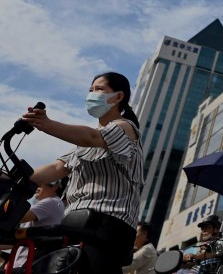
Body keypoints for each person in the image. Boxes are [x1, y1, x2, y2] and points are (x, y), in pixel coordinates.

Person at [22, 71, 144, 274]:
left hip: (110, 223)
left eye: (99, 89)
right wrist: (10, 174)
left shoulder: (125, 127)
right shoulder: (83, 144)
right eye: (90, 90)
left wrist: (47, 124)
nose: (92, 94)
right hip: (78, 223)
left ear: (119, 96)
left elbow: (92, 137)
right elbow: (57, 168)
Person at [9, 179, 66, 269]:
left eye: (40, 185)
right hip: (25, 262)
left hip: (28, 263)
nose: (36, 187)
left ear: (55, 186)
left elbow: (16, 217)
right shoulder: (54, 203)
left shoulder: (51, 202)